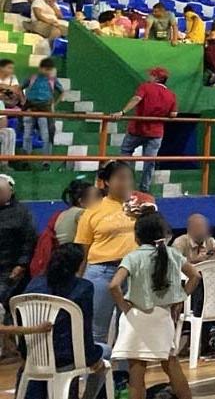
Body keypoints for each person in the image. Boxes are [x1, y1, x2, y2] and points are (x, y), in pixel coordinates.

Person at [108, 210, 199, 399]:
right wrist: (181, 297)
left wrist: (125, 307)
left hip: (136, 318)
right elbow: (195, 276)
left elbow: (114, 285)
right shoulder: (173, 254)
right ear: (163, 234)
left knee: (136, 373)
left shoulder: (133, 257)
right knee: (171, 365)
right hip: (162, 317)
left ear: (137, 236)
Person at [22, 243, 109, 399]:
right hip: (66, 357)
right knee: (106, 352)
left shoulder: (34, 283)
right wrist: (92, 357)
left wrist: (25, 354)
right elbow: (84, 330)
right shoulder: (83, 287)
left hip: (34, 355)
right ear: (78, 264)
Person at [74, 161, 140, 355]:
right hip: (100, 273)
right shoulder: (93, 212)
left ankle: (121, 377)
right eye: (120, 178)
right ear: (107, 182)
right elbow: (83, 251)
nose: (125, 182)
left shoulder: (140, 208)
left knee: (129, 329)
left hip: (132, 273)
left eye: (129, 178)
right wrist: (79, 278)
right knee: (97, 330)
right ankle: (97, 379)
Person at [114, 67, 178, 193]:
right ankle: (145, 188)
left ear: (156, 77)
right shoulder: (171, 95)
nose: (149, 77)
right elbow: (173, 114)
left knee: (126, 153)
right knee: (150, 161)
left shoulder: (146, 87)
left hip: (137, 129)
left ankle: (127, 184)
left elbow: (137, 99)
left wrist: (122, 112)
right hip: (156, 132)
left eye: (151, 75)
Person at [0, 173, 35, 308]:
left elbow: (29, 240)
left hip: (8, 268)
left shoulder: (21, 213)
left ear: (9, 192)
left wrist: (21, 265)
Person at [21, 58, 63, 165]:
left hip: (45, 111)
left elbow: (62, 92)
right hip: (30, 109)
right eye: (46, 69)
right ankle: (25, 158)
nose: (48, 72)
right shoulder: (33, 78)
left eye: (50, 69)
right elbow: (19, 88)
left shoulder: (53, 80)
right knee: (27, 134)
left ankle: (46, 160)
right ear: (40, 68)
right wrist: (23, 100)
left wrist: (54, 104)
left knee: (46, 134)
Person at [54, 178, 102, 244]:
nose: (102, 200)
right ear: (82, 201)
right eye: (97, 197)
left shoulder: (63, 214)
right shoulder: (81, 214)